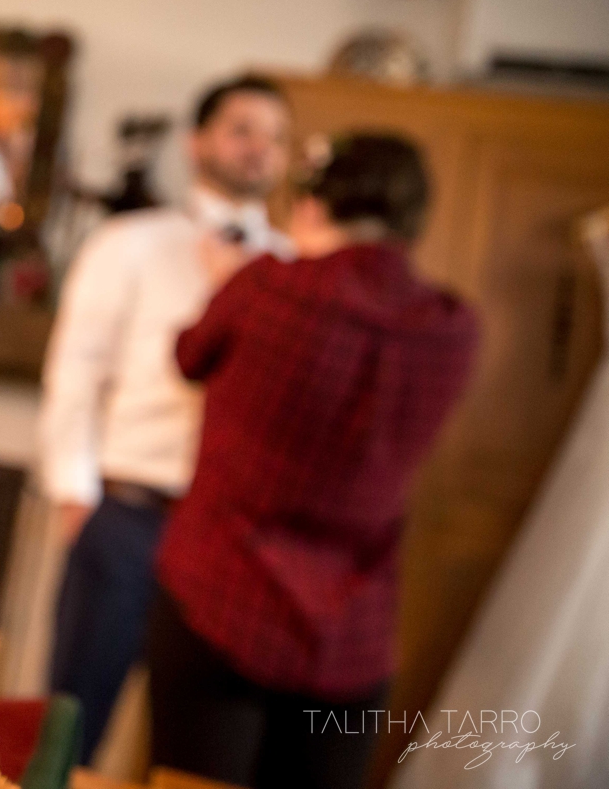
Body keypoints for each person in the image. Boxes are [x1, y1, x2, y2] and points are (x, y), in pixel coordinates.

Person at [147, 134, 479, 789]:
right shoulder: (452, 325)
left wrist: (225, 284)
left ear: (311, 206)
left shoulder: (267, 286)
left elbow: (190, 356)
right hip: (353, 638)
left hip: (222, 597)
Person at [39, 75, 292, 763]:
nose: (259, 149)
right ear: (197, 142)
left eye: (274, 136)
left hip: (231, 538)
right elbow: (77, 371)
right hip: (128, 514)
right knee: (69, 727)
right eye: (243, 129)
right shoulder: (129, 242)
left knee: (197, 748)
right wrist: (75, 493)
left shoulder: (295, 272)